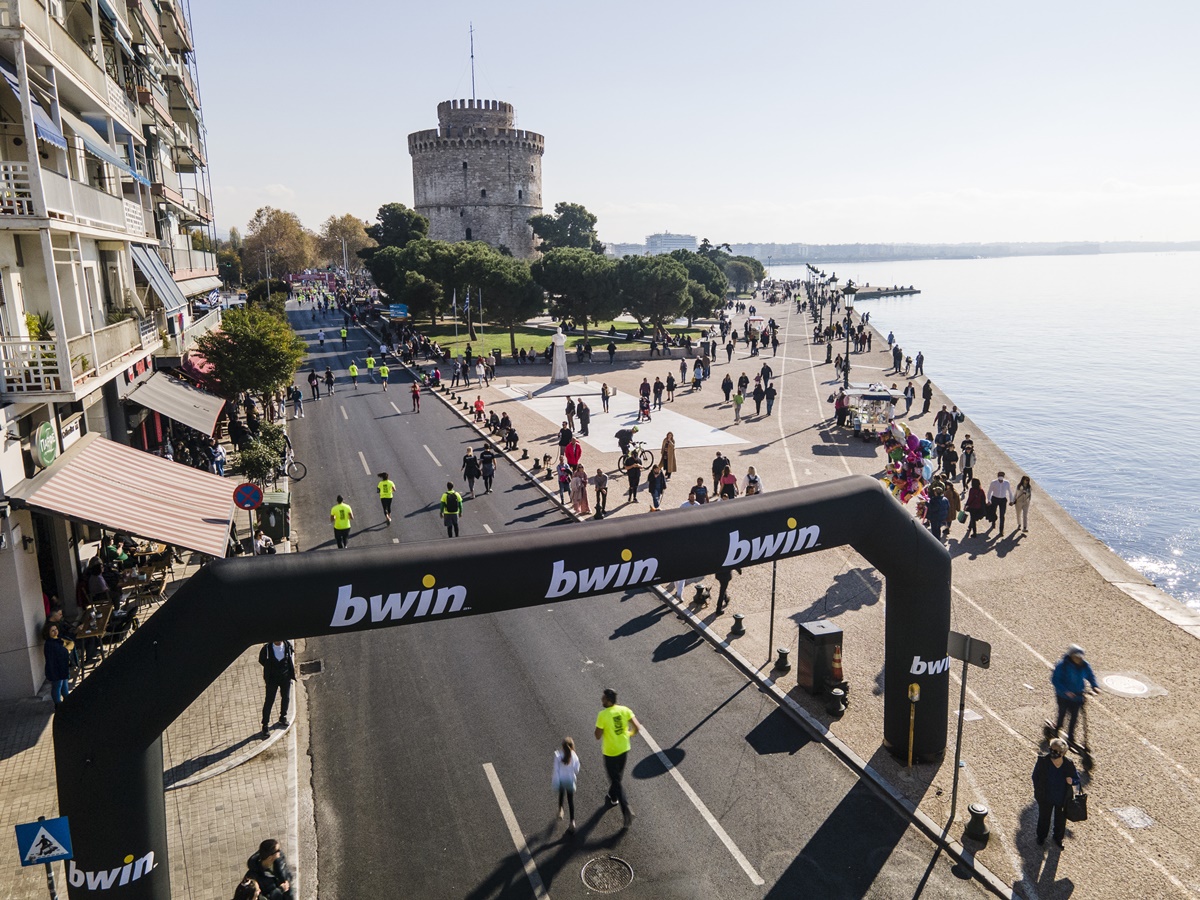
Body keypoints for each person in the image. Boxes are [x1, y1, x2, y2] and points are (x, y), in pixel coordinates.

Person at [595, 688, 641, 828]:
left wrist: (603, 729)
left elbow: (597, 736)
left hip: (610, 752)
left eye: (603, 698)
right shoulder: (625, 710)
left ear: (608, 701)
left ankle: (626, 809)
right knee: (617, 778)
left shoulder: (603, 715)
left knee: (615, 780)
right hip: (624, 749)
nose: (601, 700)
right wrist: (629, 734)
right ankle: (612, 797)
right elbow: (637, 727)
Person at [1032, 738, 1080, 849]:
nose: (1052, 753)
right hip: (1046, 797)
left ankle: (1058, 838)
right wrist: (1038, 790)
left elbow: (1076, 779)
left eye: (1055, 751)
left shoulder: (1068, 764)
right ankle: (1041, 837)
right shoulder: (1043, 761)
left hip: (1062, 799)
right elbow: (1035, 777)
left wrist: (1072, 781)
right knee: (1044, 818)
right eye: (1051, 749)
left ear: (1063, 753)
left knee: (1061, 821)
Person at [1052, 644, 1098, 748]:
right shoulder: (1062, 665)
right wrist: (1065, 691)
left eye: (1080, 657)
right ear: (1071, 656)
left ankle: (1071, 737)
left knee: (1074, 717)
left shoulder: (1084, 665)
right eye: (1076, 657)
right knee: (1062, 713)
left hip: (1077, 696)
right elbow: (1055, 680)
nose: (1079, 659)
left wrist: (1095, 686)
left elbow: (1090, 675)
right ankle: (1057, 728)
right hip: (1063, 696)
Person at [258, 640, 295, 739]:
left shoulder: (287, 645)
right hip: (272, 680)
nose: (277, 641)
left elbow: (289, 658)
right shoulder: (266, 648)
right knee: (269, 701)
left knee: (286, 698)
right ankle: (265, 725)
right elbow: (262, 660)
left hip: (285, 678)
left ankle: (283, 717)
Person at [554, 737, 581, 835]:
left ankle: (561, 809)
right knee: (570, 801)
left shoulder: (558, 755)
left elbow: (556, 770)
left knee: (561, 795)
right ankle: (572, 821)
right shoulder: (574, 756)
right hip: (570, 781)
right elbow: (577, 770)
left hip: (562, 780)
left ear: (562, 747)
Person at [43, 622, 72, 710]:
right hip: (56, 669)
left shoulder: (56, 641)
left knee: (63, 685)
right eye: (52, 631)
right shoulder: (50, 644)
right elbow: (62, 652)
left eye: (56, 630)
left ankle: (66, 701)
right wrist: (69, 647)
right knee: (58, 686)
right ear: (48, 633)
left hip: (61, 667)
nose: (55, 632)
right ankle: (58, 703)